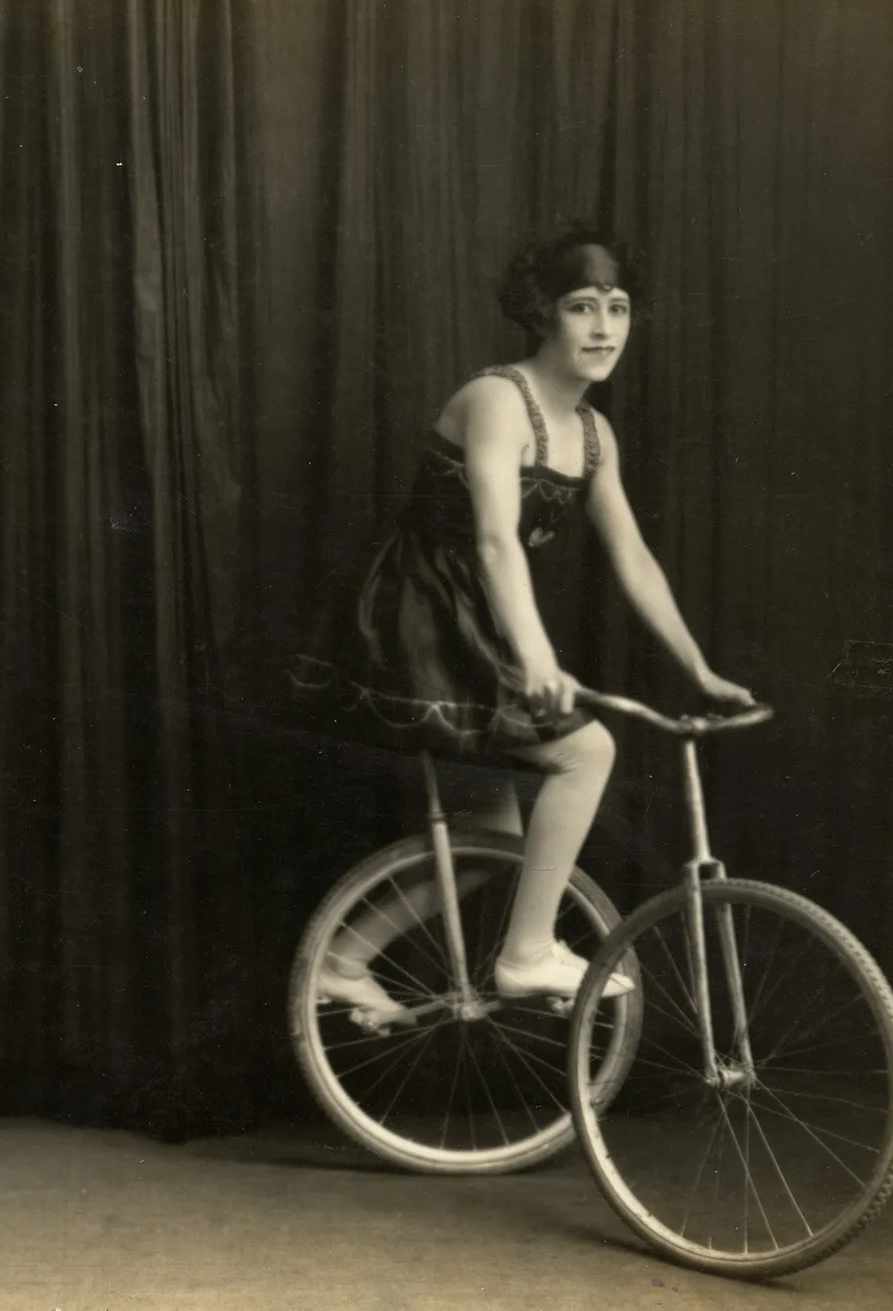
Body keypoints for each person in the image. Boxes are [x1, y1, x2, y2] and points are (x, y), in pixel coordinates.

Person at [290, 222, 753, 1022]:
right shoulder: (497, 398)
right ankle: (528, 953)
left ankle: (342, 957)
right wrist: (536, 654)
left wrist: (699, 669)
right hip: (421, 610)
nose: (604, 327)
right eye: (582, 307)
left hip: (479, 614)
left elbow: (634, 558)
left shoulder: (594, 436)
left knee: (490, 836)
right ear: (544, 315)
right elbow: (496, 540)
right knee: (587, 750)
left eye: (618, 308)